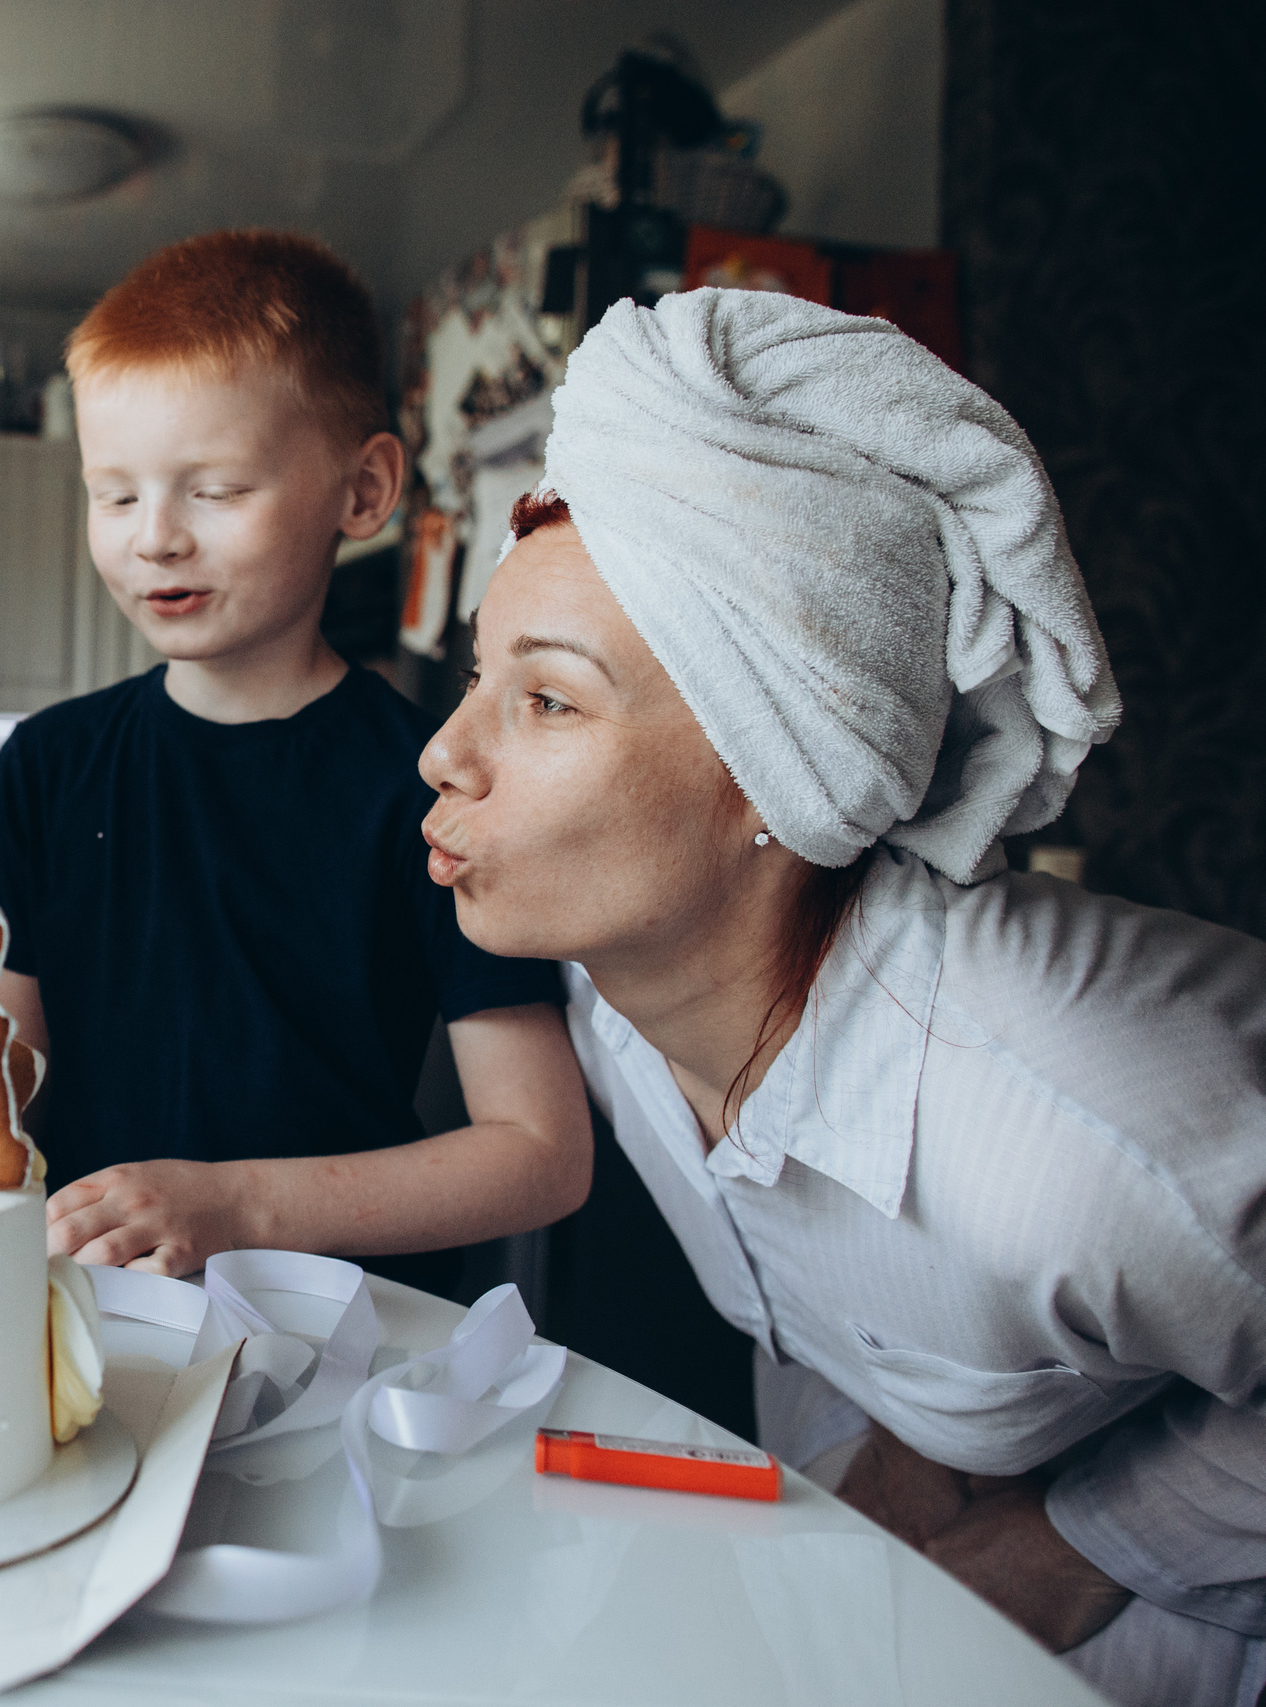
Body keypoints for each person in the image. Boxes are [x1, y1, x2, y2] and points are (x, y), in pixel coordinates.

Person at [420, 285, 1265, 1707]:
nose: (446, 752)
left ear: (780, 776)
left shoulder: (1080, 1132)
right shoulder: (618, 1008)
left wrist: (1076, 1541)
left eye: (547, 699)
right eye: (476, 679)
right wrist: (915, 1467)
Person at [0, 230, 592, 1286]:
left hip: (339, 1333)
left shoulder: (436, 781)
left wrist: (234, 1205)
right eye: (115, 494)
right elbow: (5, 1081)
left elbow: (542, 1156)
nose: (154, 539)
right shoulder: (46, 764)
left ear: (361, 492)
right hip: (87, 1307)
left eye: (212, 490)